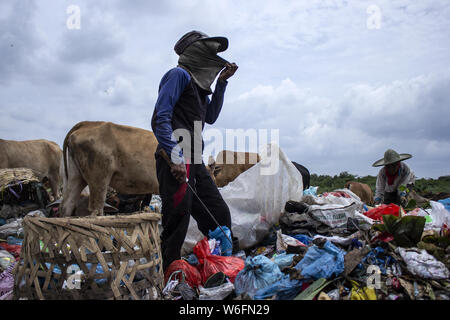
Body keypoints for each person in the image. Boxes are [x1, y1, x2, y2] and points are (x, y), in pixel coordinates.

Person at [151, 31, 239, 271]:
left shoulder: (199, 89)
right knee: (177, 219)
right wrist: (175, 156)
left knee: (219, 215)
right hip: (175, 159)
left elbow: (210, 117)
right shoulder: (177, 75)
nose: (214, 57)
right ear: (196, 54)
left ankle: (218, 266)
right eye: (210, 52)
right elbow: (161, 117)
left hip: (194, 159)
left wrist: (221, 83)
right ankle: (169, 275)